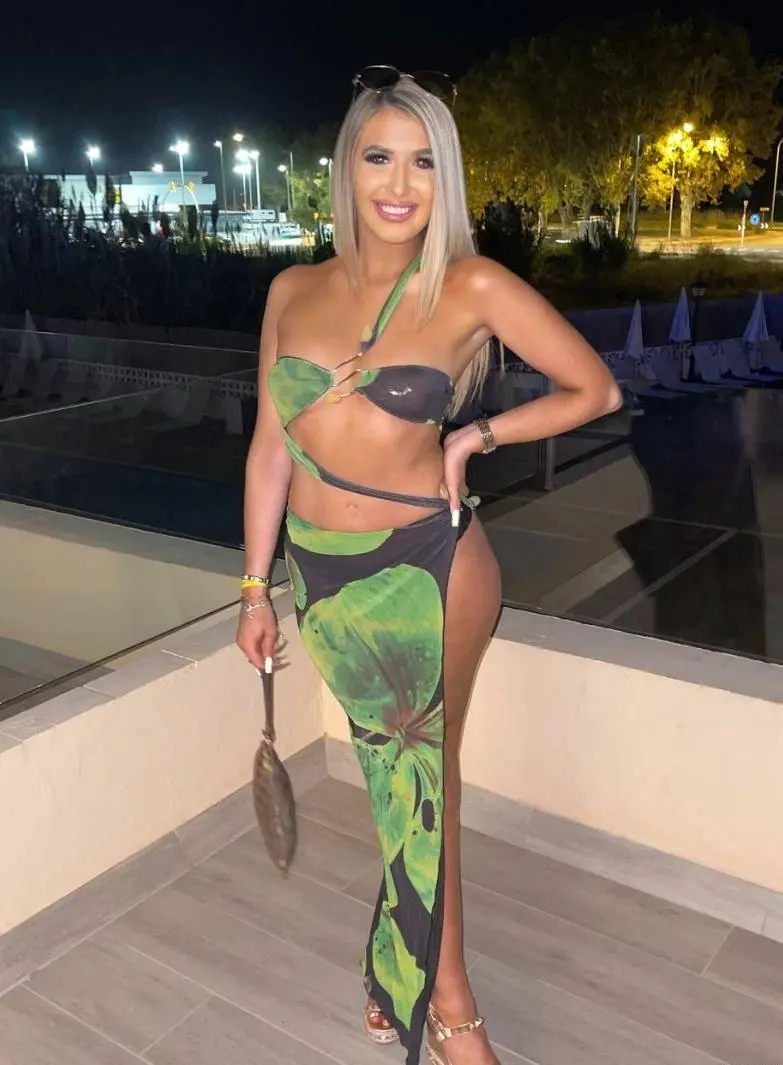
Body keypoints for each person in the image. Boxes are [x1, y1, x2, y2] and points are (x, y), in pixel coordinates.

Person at [237, 66, 621, 1065]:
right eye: (379, 157)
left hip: (427, 569)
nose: (400, 184)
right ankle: (393, 967)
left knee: (416, 786)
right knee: (403, 784)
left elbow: (593, 389)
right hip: (323, 582)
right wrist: (254, 585)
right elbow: (271, 449)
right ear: (347, 168)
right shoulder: (292, 290)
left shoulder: (470, 286)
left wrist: (473, 436)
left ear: (443, 178)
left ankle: (452, 1012)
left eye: (423, 162)